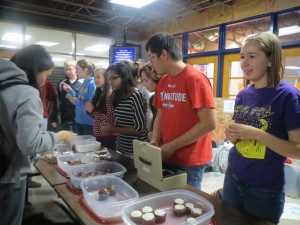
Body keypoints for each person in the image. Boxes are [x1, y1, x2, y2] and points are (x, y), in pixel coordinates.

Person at [223, 32, 300, 224]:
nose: (244, 63)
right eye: (242, 57)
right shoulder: (242, 95)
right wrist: (232, 136)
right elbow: (237, 140)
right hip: (233, 176)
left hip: (263, 189)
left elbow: (297, 150)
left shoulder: (287, 96)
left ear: (270, 60)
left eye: (252, 56)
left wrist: (258, 134)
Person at [0, 45, 74, 225]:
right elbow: (30, 143)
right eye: (45, 75)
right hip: (9, 173)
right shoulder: (26, 93)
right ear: (35, 69)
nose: (43, 81)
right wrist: (60, 135)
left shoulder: (4, 84)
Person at [145, 32, 217, 189]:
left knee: (186, 205)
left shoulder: (195, 79)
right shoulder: (164, 81)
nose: (151, 63)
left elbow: (209, 124)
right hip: (166, 154)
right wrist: (155, 140)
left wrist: (172, 146)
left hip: (190, 160)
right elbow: (160, 116)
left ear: (163, 54)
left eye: (151, 57)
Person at [101, 62, 148, 157]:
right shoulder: (116, 95)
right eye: (109, 79)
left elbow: (139, 128)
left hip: (136, 151)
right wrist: (110, 126)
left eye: (113, 78)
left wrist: (112, 129)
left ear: (124, 77)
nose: (110, 82)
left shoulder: (135, 95)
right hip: (121, 147)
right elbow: (122, 122)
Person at [85, 68, 117, 150]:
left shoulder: (109, 95)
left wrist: (92, 111)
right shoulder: (99, 93)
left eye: (98, 77)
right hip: (99, 135)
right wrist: (89, 110)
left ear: (106, 78)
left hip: (107, 136)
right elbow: (96, 116)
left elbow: (111, 119)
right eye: (95, 77)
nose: (95, 80)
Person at [63, 59, 96, 135]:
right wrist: (71, 91)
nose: (76, 71)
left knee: (87, 146)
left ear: (86, 70)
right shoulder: (83, 83)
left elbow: (91, 106)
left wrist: (76, 102)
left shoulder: (92, 84)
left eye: (77, 69)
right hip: (78, 120)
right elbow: (79, 97)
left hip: (88, 122)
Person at [56, 60, 82, 131]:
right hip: (65, 116)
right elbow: (58, 99)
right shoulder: (61, 83)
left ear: (75, 69)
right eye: (65, 69)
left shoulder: (82, 83)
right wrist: (57, 115)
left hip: (78, 116)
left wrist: (70, 93)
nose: (67, 71)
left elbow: (82, 100)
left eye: (70, 69)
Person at [140, 63, 162, 139]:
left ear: (156, 77)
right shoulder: (152, 98)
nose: (144, 84)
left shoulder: (166, 97)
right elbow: (156, 118)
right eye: (143, 81)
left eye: (146, 80)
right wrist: (152, 132)